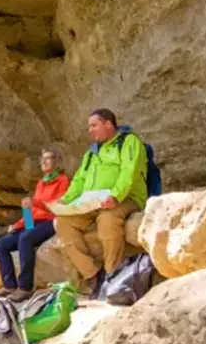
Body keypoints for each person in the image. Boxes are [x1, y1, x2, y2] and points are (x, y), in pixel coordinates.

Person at [53, 108, 147, 298]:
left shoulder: (129, 142)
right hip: (92, 203)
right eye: (89, 127)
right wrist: (65, 201)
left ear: (108, 124)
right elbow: (79, 180)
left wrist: (116, 196)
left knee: (108, 219)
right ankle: (93, 275)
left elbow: (129, 171)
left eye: (94, 125)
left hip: (125, 198)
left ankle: (113, 275)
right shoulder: (91, 153)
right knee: (61, 221)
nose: (90, 130)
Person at [0, 148, 70, 302]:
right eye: (42, 159)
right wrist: (18, 224)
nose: (44, 162)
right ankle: (9, 285)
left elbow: (56, 206)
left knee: (25, 239)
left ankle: (25, 287)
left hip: (50, 221)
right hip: (34, 223)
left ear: (57, 162)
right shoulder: (41, 183)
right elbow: (32, 212)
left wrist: (34, 202)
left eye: (49, 158)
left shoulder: (62, 180)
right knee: (2, 244)